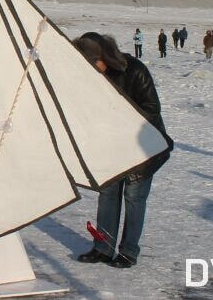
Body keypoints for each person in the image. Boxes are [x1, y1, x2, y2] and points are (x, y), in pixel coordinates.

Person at [74, 32, 172, 268]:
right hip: (111, 148)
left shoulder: (135, 70)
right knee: (107, 195)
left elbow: (152, 109)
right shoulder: (91, 77)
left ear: (104, 55)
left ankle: (128, 251)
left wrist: (121, 116)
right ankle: (102, 248)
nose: (92, 69)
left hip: (144, 148)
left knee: (134, 197)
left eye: (93, 62)